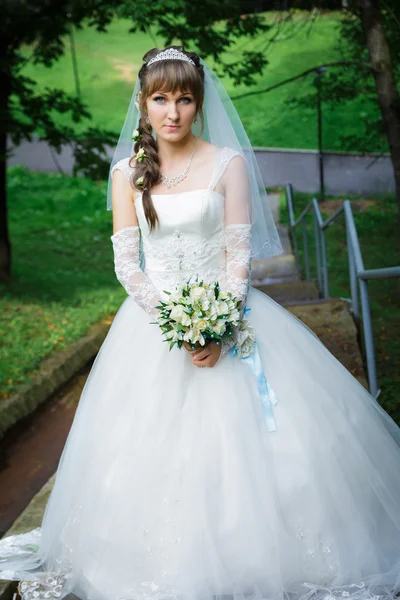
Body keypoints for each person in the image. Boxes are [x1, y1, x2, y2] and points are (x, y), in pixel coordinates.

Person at [1, 45, 400, 600]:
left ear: (198, 103)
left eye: (184, 99)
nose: (172, 112)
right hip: (152, 327)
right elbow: (126, 265)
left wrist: (216, 325)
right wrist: (177, 324)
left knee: (271, 450)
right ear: (142, 104)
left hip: (231, 316)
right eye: (160, 98)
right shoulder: (126, 174)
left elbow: (239, 257)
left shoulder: (226, 163)